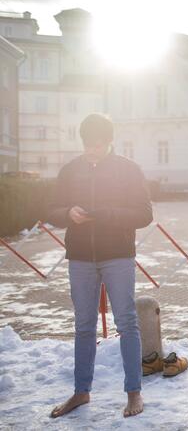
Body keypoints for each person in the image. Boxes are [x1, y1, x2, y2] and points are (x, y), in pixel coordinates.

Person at [45, 113, 153, 418]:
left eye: (98, 144)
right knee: (83, 325)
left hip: (118, 254)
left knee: (127, 323)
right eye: (87, 144)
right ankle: (81, 391)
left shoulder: (128, 170)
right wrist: (68, 213)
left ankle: (134, 392)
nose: (92, 149)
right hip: (79, 257)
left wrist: (107, 214)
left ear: (109, 142)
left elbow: (144, 214)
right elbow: (51, 210)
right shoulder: (70, 170)